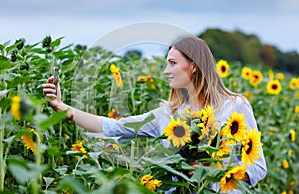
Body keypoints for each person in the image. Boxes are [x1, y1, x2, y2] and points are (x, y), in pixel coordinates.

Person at [42, 36, 267, 193]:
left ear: (194, 66)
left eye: (172, 63)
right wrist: (62, 108)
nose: (166, 71)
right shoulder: (167, 114)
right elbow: (112, 127)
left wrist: (214, 171)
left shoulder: (234, 106)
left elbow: (258, 168)